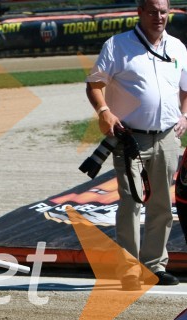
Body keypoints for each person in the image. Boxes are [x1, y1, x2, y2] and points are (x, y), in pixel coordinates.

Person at [86, 0, 187, 290]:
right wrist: (104, 111)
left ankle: (154, 266)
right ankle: (129, 269)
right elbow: (94, 84)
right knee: (130, 201)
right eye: (153, 11)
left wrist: (185, 115)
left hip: (168, 137)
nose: (159, 17)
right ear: (140, 12)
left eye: (163, 11)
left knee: (162, 205)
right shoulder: (118, 46)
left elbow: (185, 87)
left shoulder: (178, 47)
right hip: (130, 138)